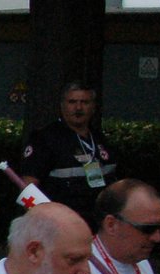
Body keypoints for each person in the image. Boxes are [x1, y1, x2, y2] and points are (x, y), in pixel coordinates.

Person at [20, 83, 118, 229]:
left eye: (84, 102)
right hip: (60, 228)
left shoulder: (99, 139)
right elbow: (27, 189)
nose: (78, 108)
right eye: (72, 102)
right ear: (62, 105)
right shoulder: (45, 139)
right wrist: (43, 222)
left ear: (93, 107)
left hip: (98, 226)